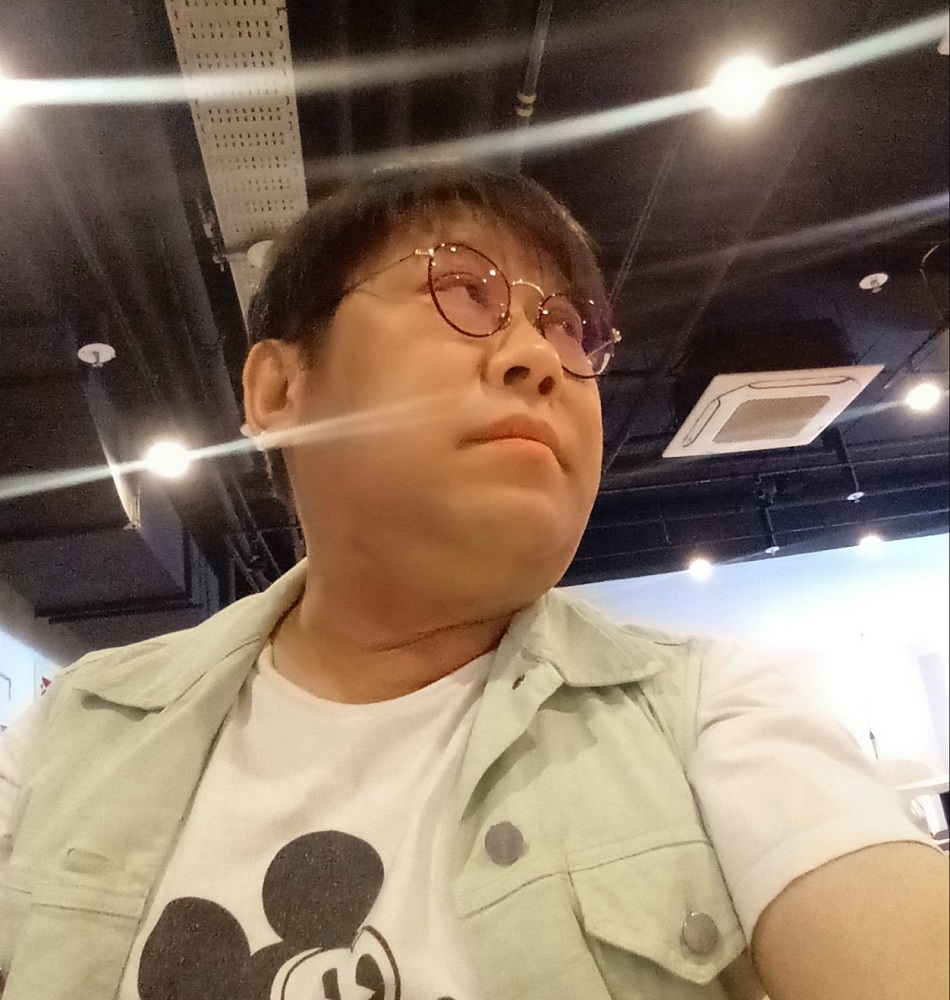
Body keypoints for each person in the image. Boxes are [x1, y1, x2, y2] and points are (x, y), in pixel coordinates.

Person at [0, 165, 947, 1000]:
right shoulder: (66, 741)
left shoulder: (709, 716)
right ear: (280, 391)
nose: (538, 357)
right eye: (460, 289)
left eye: (568, 326)